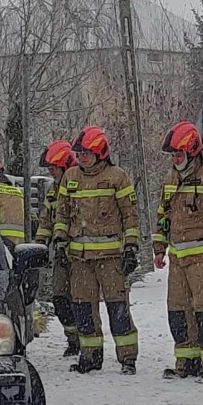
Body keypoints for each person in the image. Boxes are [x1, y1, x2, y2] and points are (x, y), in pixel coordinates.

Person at [53, 126, 140, 375]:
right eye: (79, 153)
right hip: (79, 260)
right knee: (83, 309)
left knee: (118, 308)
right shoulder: (70, 178)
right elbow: (62, 213)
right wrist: (60, 242)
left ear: (100, 152)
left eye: (87, 153)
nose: (82, 157)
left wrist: (131, 247)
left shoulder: (117, 177)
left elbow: (130, 215)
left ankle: (127, 358)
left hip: (111, 258)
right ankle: (90, 357)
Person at [153, 122, 203, 383]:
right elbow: (163, 216)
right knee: (178, 311)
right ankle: (185, 363)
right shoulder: (170, 180)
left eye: (179, 154)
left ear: (193, 152)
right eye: (173, 155)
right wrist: (159, 248)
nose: (175, 159)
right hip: (178, 260)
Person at [34, 139, 81, 356]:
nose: (51, 172)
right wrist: (40, 244)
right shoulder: (53, 191)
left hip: (81, 253)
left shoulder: (79, 185)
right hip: (62, 253)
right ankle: (73, 339)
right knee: (60, 297)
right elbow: (46, 220)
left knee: (81, 300)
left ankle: (87, 343)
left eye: (54, 167)